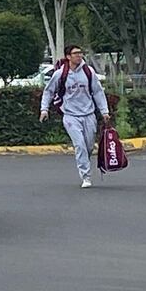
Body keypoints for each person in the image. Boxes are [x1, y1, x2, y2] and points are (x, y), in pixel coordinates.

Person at [40, 45, 111, 188]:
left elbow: (97, 92)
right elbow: (48, 92)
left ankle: (85, 163)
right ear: (68, 56)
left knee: (89, 145)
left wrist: (104, 111)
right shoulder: (60, 74)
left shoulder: (88, 71)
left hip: (88, 114)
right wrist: (44, 109)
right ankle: (86, 176)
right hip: (70, 115)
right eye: (76, 53)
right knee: (79, 145)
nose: (79, 56)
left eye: (80, 53)